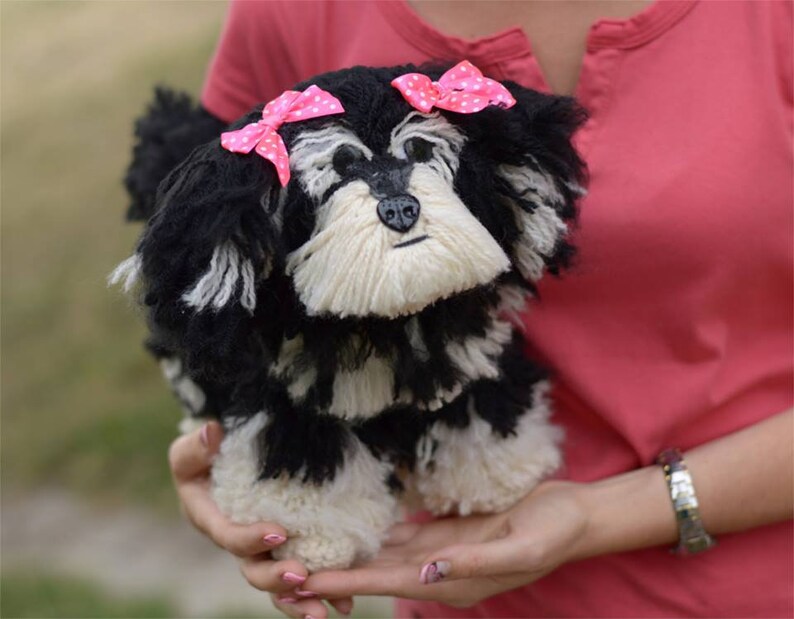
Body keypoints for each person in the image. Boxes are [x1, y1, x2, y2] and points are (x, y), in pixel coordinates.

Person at [166, 1, 793, 617]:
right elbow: (212, 255)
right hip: (460, 586)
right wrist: (231, 439)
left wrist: (597, 518)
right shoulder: (292, 11)